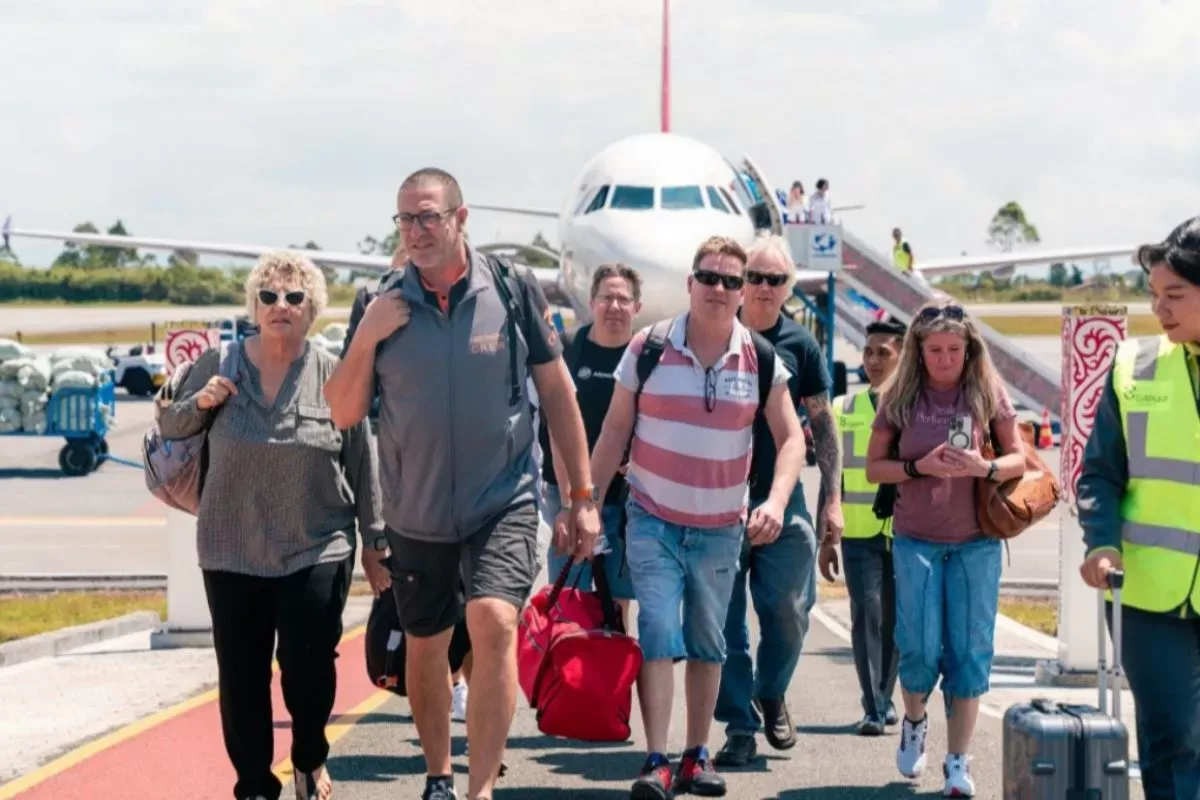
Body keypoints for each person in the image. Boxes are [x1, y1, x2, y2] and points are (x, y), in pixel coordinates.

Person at [324, 167, 600, 800]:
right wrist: (367, 336)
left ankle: (480, 787)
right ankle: (439, 776)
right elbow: (341, 411)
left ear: (460, 217)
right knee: (427, 645)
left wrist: (580, 498)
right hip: (415, 511)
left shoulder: (511, 287)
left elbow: (557, 394)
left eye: (429, 217)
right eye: (405, 220)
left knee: (496, 621)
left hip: (501, 499)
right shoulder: (380, 302)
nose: (417, 231)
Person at [159, 251, 389, 800]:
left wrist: (375, 541)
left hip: (317, 544)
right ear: (254, 307)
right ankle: (256, 785)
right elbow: (170, 422)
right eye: (269, 296)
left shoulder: (332, 371)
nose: (280, 306)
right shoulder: (219, 362)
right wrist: (201, 399)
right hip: (230, 547)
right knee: (241, 677)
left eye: (294, 297)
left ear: (312, 309)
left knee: (308, 667)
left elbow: (362, 458)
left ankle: (309, 755)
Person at [589, 235, 806, 800]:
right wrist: (585, 503)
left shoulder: (760, 358)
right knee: (659, 629)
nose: (720, 288)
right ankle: (656, 759)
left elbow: (791, 440)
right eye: (708, 277)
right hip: (653, 518)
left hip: (720, 528)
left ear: (742, 292)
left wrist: (777, 501)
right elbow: (615, 430)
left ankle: (695, 754)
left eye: (732, 281)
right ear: (690, 283)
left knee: (708, 641)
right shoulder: (649, 346)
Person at [864, 299, 1025, 798]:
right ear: (918, 349)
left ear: (969, 348)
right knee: (917, 648)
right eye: (934, 350)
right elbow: (874, 468)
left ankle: (958, 761)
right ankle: (915, 720)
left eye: (954, 349)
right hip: (916, 540)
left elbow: (1020, 458)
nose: (944, 359)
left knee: (970, 652)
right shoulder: (901, 395)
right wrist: (919, 467)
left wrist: (984, 467)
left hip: (976, 542)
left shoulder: (986, 391)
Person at [1077, 216, 1200, 800]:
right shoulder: (1134, 366)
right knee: (1174, 736)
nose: (1160, 309)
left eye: (1174, 295)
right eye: (1154, 295)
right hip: (1149, 594)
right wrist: (1099, 541)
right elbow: (1100, 470)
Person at [713, 234, 840, 767]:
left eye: (776, 280)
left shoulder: (800, 346)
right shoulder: (714, 334)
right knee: (724, 622)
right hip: (718, 503)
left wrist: (831, 500)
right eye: (756, 278)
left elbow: (822, 425)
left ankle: (771, 690)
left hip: (783, 505)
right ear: (741, 282)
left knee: (790, 610)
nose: (765, 289)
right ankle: (739, 726)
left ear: (790, 288)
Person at [541, 263, 644, 624]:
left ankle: (612, 680)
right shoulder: (570, 350)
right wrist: (571, 503)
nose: (614, 306)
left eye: (623, 299)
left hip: (625, 500)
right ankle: (569, 681)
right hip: (568, 491)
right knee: (570, 603)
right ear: (591, 303)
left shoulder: (647, 357)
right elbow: (556, 429)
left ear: (637, 307)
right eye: (606, 298)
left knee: (615, 608)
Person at [823, 319, 906, 736]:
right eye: (868, 352)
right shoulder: (843, 408)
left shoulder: (916, 407)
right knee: (866, 615)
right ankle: (873, 706)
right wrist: (827, 536)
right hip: (857, 532)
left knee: (895, 619)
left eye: (883, 353)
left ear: (903, 356)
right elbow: (831, 476)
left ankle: (885, 695)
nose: (873, 361)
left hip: (904, 531)